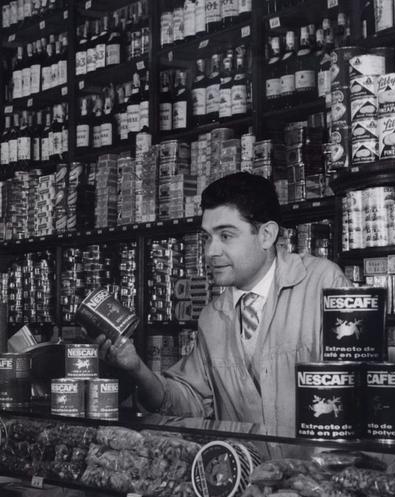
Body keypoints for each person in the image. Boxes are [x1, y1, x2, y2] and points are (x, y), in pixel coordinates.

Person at [97, 172, 350, 436]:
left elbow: (361, 390)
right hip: (247, 473)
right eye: (208, 237)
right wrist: (137, 368)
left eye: (226, 236)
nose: (210, 251)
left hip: (319, 473)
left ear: (266, 235)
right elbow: (189, 401)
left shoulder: (322, 283)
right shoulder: (212, 318)